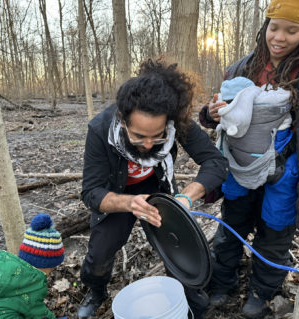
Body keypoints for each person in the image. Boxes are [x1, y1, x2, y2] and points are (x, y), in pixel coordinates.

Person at [199, 0, 299, 317]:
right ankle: (222, 282)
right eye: (274, 27)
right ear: (265, 26)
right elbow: (213, 118)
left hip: (286, 171)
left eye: (292, 30)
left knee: (275, 232)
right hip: (240, 166)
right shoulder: (241, 68)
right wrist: (209, 113)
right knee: (231, 225)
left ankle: (261, 293)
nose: (279, 37)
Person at [77, 58, 228, 319]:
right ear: (123, 120)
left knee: (176, 244)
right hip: (117, 192)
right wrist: (128, 204)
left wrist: (186, 198)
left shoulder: (177, 122)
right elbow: (91, 192)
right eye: (138, 136)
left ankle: (188, 293)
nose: (148, 145)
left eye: (157, 136)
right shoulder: (100, 129)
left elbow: (216, 162)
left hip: (158, 187)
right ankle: (97, 290)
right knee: (100, 252)